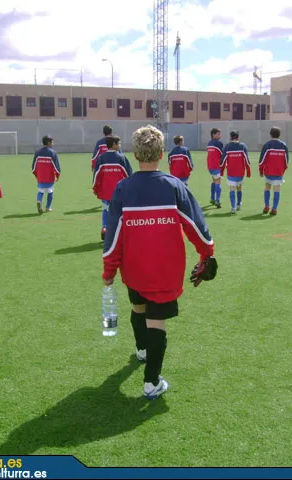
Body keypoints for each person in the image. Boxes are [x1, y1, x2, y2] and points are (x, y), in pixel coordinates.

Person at [102, 125, 218, 400]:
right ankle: (151, 382)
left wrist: (109, 270)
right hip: (165, 271)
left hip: (134, 269)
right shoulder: (173, 186)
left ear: (134, 153)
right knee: (157, 323)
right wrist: (207, 252)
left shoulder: (123, 188)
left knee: (137, 307)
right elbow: (196, 226)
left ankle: (141, 350)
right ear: (162, 153)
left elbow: (113, 235)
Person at [92, 135, 133, 240]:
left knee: (105, 210)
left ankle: (105, 228)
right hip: (119, 191)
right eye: (119, 143)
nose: (120, 145)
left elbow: (97, 175)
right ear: (114, 144)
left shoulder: (101, 158)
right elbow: (128, 175)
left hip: (105, 191)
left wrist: (95, 188)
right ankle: (119, 232)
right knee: (119, 212)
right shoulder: (121, 158)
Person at [258, 127, 289, 216]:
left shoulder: (267, 145)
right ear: (279, 134)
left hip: (268, 171)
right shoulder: (283, 145)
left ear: (270, 134)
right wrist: (283, 169)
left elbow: (262, 159)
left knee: (267, 187)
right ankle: (274, 208)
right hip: (278, 171)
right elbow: (286, 160)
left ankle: (267, 206)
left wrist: (261, 170)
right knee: (277, 189)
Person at [220, 130, 251, 215]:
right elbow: (247, 160)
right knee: (239, 187)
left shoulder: (227, 146)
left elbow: (222, 161)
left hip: (231, 172)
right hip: (240, 172)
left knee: (232, 189)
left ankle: (233, 207)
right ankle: (239, 204)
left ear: (231, 136)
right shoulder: (242, 146)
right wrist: (248, 171)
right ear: (238, 136)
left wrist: (221, 172)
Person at [32, 135, 61, 214]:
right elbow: (56, 166)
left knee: (41, 191)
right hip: (49, 177)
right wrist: (58, 175)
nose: (52, 144)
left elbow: (34, 166)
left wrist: (36, 175)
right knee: (50, 191)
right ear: (48, 143)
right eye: (52, 142)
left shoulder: (37, 152)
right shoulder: (52, 152)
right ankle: (48, 207)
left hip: (41, 176)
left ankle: (39, 201)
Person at [206, 127, 224, 208]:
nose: (220, 135)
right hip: (217, 165)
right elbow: (222, 155)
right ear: (213, 135)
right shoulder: (218, 143)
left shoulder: (209, 143)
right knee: (218, 182)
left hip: (210, 165)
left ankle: (212, 198)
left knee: (214, 181)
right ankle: (218, 200)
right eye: (218, 134)